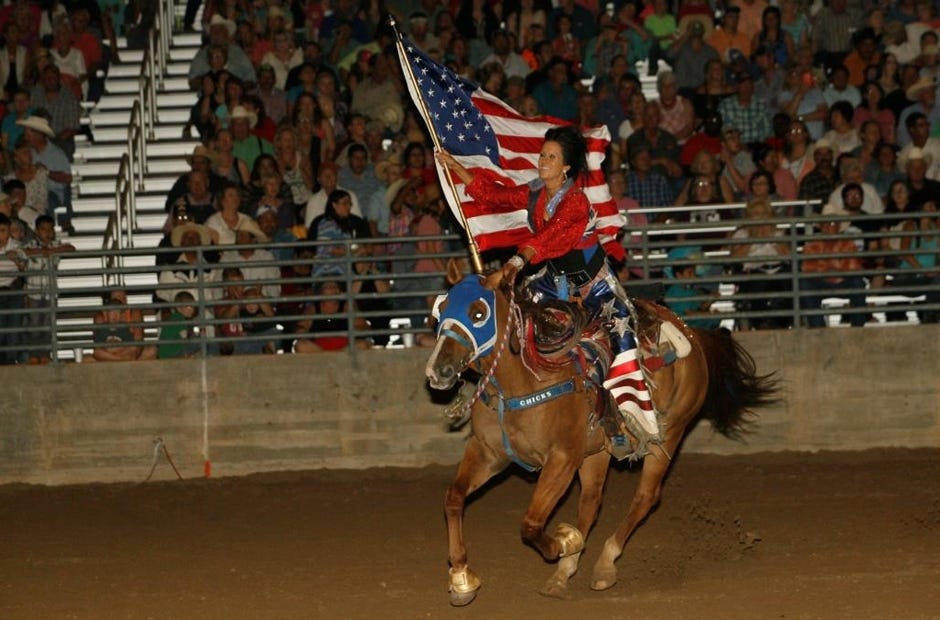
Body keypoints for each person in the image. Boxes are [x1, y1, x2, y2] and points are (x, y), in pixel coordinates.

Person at [436, 125, 662, 448]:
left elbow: (548, 239)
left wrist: (512, 265)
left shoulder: (576, 203)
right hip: (553, 282)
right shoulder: (534, 192)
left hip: (594, 287)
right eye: (543, 155)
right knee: (508, 318)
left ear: (566, 166)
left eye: (551, 157)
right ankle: (490, 387)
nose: (543, 161)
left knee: (622, 336)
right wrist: (457, 168)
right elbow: (496, 197)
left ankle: (629, 416)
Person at [800, 203, 868, 328]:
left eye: (832, 223)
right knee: (805, 284)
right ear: (821, 226)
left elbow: (854, 267)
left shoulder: (848, 243)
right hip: (821, 282)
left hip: (843, 281)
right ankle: (818, 327)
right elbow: (806, 268)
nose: (829, 226)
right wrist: (834, 270)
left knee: (858, 282)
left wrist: (829, 270)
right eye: (826, 223)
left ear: (838, 226)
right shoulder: (812, 245)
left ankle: (858, 326)